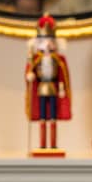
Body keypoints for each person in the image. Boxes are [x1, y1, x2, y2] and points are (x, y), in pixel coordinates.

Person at [23, 14, 71, 155]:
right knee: (43, 116)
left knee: (53, 117)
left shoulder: (59, 59)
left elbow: (62, 75)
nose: (47, 44)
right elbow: (29, 72)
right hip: (41, 88)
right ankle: (43, 145)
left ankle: (53, 145)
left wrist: (62, 88)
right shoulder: (35, 59)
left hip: (53, 89)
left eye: (49, 40)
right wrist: (29, 76)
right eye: (44, 40)